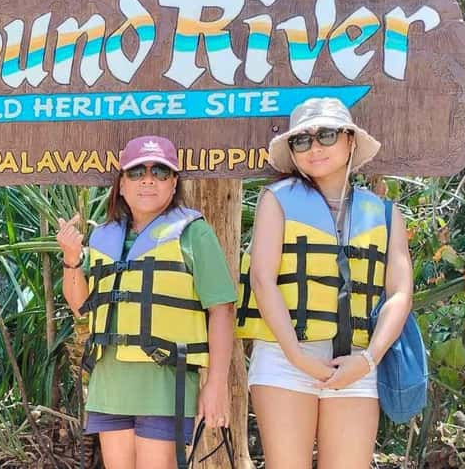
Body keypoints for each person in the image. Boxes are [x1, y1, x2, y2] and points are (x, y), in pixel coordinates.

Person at [236, 97, 413, 468]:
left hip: (357, 361)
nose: (315, 147)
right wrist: (297, 355)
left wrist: (368, 359)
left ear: (350, 140)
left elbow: (399, 292)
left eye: (327, 135)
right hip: (285, 357)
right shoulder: (277, 201)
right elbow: (263, 279)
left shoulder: (384, 212)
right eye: (302, 140)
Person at [56, 135, 237, 469]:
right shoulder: (104, 236)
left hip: (166, 382)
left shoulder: (194, 233)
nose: (148, 179)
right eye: (137, 172)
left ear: (174, 184)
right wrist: (71, 259)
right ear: (122, 185)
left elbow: (222, 309)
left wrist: (216, 384)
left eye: (160, 172)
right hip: (111, 382)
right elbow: (82, 306)